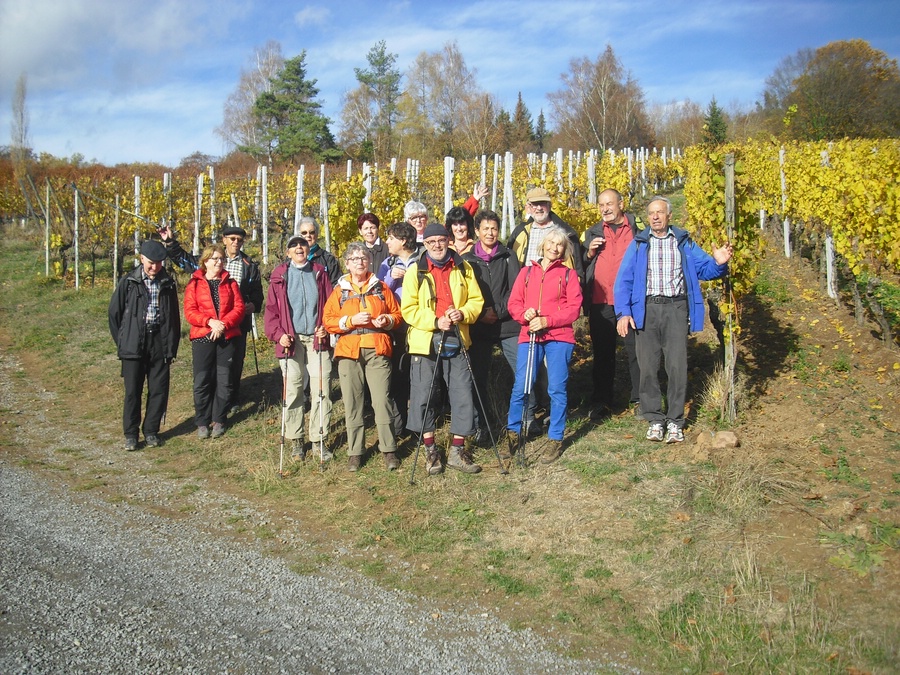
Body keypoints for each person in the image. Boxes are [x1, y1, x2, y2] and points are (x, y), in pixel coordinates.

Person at [614, 196, 733, 444]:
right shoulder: (639, 244)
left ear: (669, 215)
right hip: (645, 309)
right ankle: (655, 419)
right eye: (651, 213)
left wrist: (719, 264)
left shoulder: (684, 243)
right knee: (647, 366)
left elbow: (705, 270)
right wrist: (624, 312)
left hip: (676, 308)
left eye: (660, 212)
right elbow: (623, 280)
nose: (655, 217)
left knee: (677, 367)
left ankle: (675, 421)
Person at [401, 223, 485, 475]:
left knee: (462, 394)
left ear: (448, 240)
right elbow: (408, 309)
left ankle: (458, 450)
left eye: (441, 240)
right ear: (424, 244)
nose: (437, 245)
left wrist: (464, 313)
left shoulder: (464, 267)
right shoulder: (415, 271)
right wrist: (435, 321)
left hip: (458, 338)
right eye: (431, 242)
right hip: (424, 342)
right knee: (423, 396)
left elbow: (476, 300)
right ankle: (430, 451)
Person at [160, 222, 262, 415]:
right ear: (224, 240)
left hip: (237, 322)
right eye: (232, 239)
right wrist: (170, 242)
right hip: (209, 323)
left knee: (234, 362)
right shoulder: (212, 260)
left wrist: (254, 304)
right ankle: (211, 402)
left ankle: (230, 400)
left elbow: (257, 292)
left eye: (239, 240)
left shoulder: (249, 265)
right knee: (209, 366)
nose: (236, 242)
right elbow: (184, 260)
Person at [505, 227, 583, 463]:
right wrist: (524, 314)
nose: (554, 247)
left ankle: (556, 438)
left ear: (565, 249)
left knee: (557, 388)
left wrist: (548, 320)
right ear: (542, 245)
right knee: (522, 385)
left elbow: (574, 309)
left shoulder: (569, 275)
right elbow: (514, 303)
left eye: (559, 244)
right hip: (529, 335)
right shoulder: (527, 272)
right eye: (550, 242)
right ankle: (513, 431)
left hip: (559, 337)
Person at [324, 243, 403, 471]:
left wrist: (386, 321)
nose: (360, 261)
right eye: (355, 258)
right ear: (347, 263)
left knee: (381, 401)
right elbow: (328, 320)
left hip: (377, 348)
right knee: (352, 403)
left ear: (369, 262)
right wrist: (350, 322)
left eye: (363, 258)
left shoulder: (380, 287)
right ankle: (355, 452)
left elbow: (396, 315)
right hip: (349, 351)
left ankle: (389, 450)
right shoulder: (340, 290)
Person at [264, 236, 334, 461]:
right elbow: (271, 312)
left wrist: (326, 327)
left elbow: (330, 305)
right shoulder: (279, 276)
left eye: (302, 245)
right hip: (290, 341)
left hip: (317, 338)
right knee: (293, 388)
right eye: (293, 246)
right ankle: (296, 440)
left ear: (308, 249)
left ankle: (319, 439)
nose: (298, 248)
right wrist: (279, 335)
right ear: (287, 252)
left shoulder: (319, 272)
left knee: (321, 387)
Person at [461, 209, 527, 442]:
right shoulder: (467, 261)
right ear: (476, 231)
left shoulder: (508, 256)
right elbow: (465, 293)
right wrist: (480, 314)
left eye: (494, 228)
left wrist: (497, 312)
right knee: (477, 377)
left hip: (508, 325)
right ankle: (484, 425)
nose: (490, 233)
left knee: (523, 371)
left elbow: (516, 290)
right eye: (485, 229)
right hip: (479, 328)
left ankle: (523, 420)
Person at [108, 240, 180, 451]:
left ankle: (151, 431)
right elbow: (115, 314)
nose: (154, 267)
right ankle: (131, 434)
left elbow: (174, 317)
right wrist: (123, 341)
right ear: (141, 259)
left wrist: (171, 345)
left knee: (158, 390)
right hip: (133, 344)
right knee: (132, 391)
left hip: (159, 342)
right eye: (150, 263)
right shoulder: (129, 282)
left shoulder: (167, 283)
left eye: (158, 263)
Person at [581, 189, 644, 420]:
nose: (605, 209)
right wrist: (588, 252)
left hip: (630, 302)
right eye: (601, 205)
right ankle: (602, 401)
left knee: (636, 352)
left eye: (609, 204)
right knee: (602, 353)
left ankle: (639, 399)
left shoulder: (638, 230)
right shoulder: (593, 232)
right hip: (601, 301)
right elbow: (581, 262)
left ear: (621, 203)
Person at [183, 245, 245, 439]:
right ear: (205, 261)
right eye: (214, 258)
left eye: (221, 259)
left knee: (224, 379)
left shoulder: (230, 283)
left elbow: (239, 308)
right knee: (202, 379)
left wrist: (223, 325)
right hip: (203, 337)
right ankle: (202, 420)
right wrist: (209, 322)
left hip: (226, 337)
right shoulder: (194, 284)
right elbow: (190, 311)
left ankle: (219, 418)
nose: (219, 262)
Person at [377, 222, 420, 432]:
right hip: (396, 327)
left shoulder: (422, 261)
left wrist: (412, 276)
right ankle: (398, 425)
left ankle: (419, 425)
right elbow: (380, 293)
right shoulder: (388, 263)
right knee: (398, 377)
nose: (387, 242)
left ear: (403, 241)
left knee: (419, 378)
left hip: (419, 327)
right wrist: (391, 279)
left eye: (391, 238)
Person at [507, 186, 583, 280]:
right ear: (529, 207)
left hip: (556, 289)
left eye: (542, 203)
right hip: (525, 288)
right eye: (535, 204)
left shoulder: (566, 233)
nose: (539, 208)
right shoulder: (520, 232)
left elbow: (578, 268)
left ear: (549, 206)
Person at [297, 216, 341, 287]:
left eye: (312, 232)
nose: (308, 235)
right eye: (304, 233)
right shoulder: (291, 259)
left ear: (317, 235)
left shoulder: (328, 259)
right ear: (299, 235)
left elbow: (336, 286)